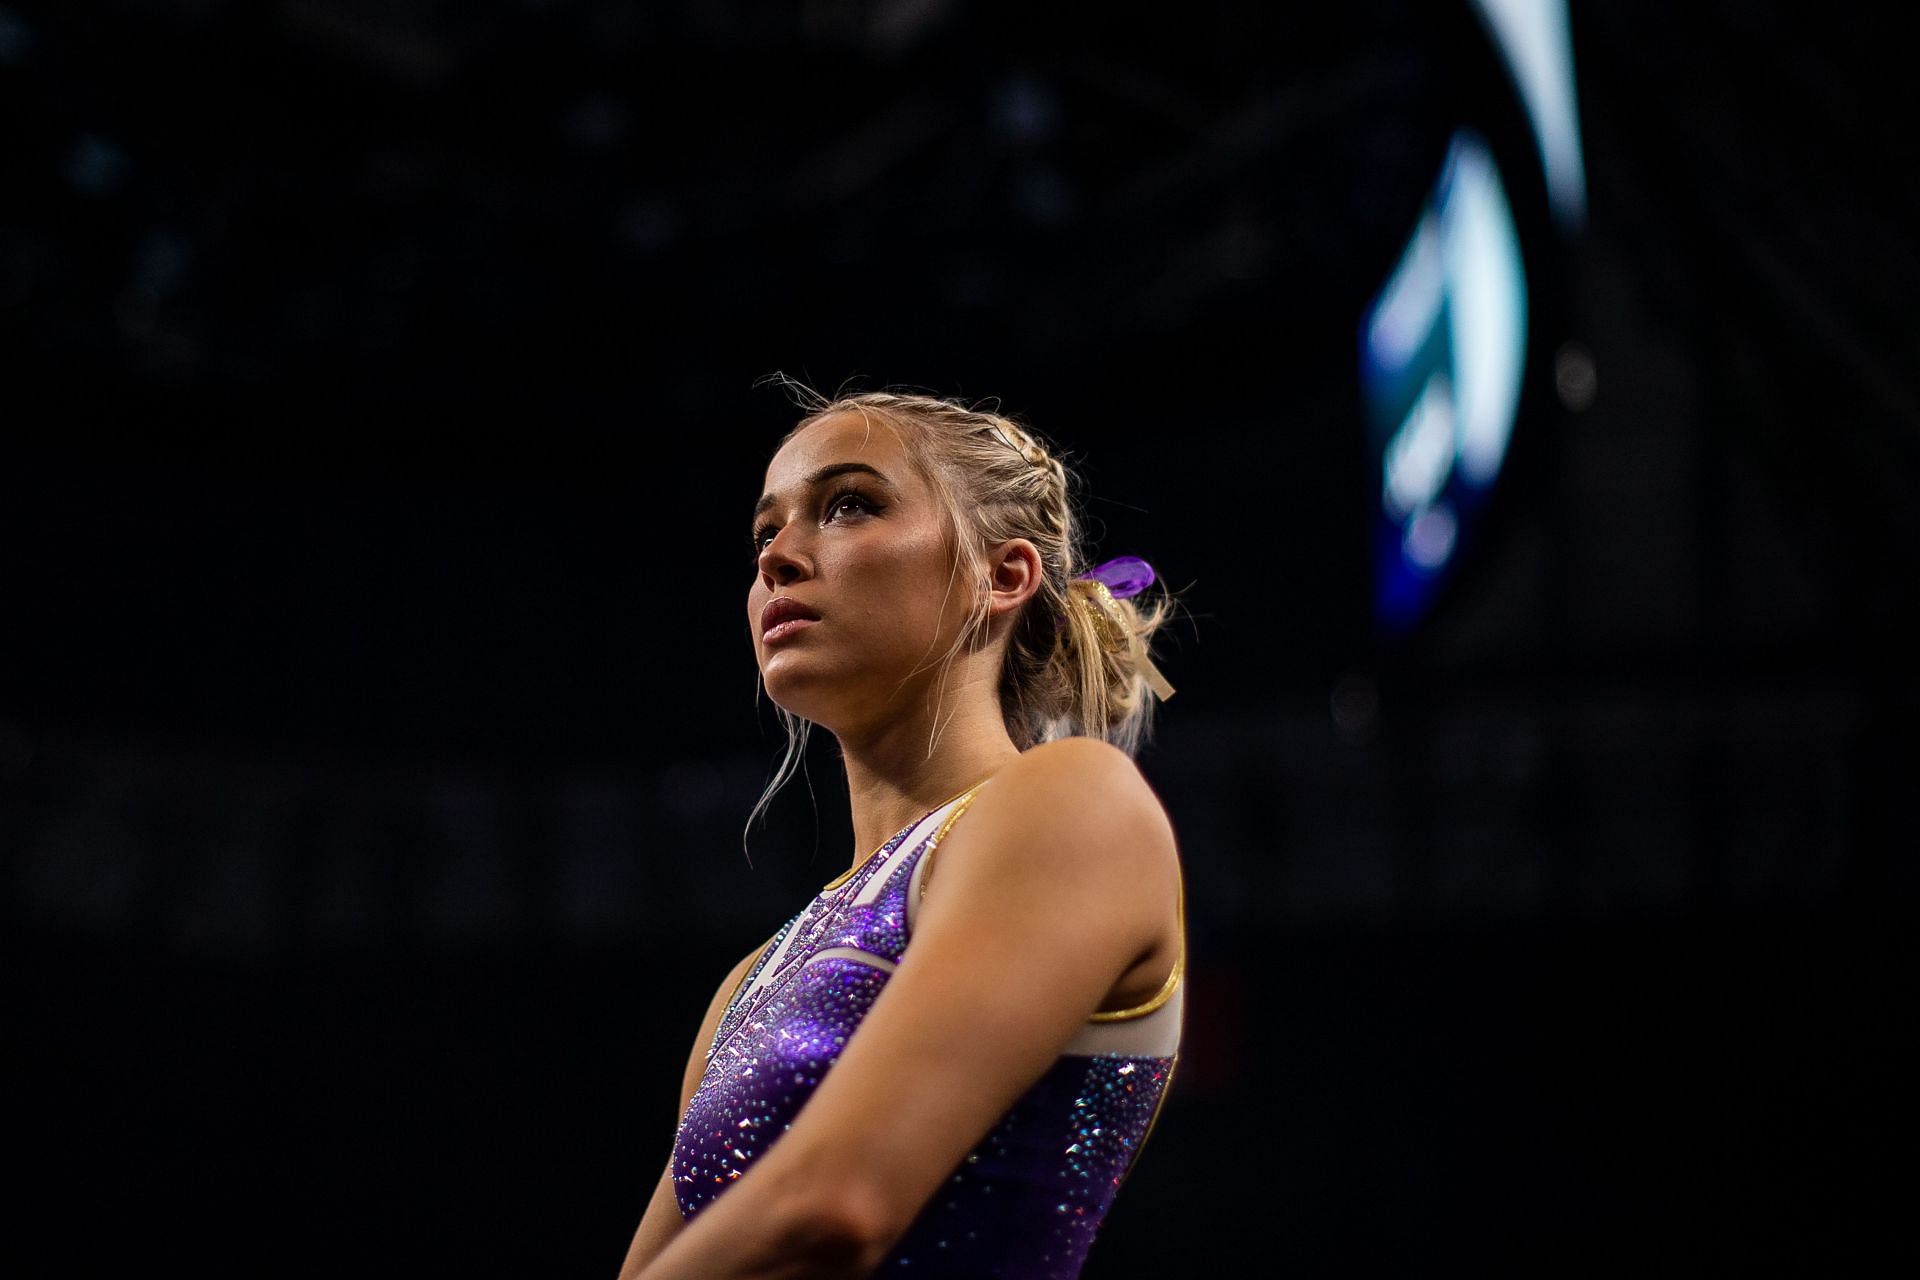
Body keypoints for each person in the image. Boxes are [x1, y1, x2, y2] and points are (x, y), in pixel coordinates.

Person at [617, 386, 1186, 1280]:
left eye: (849, 506)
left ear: (1002, 576)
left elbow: (833, 1207)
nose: (780, 559)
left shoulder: (1076, 802)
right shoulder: (751, 981)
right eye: (766, 532)